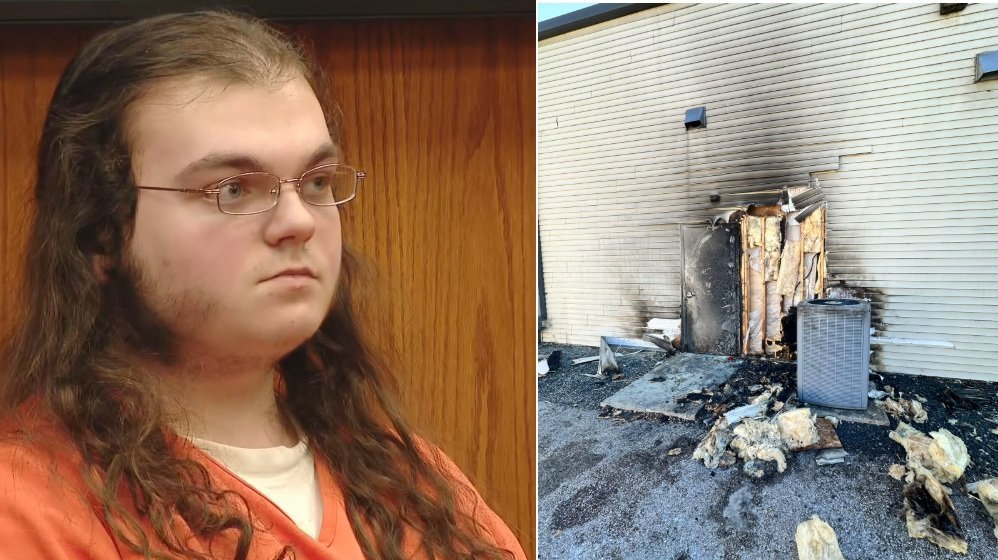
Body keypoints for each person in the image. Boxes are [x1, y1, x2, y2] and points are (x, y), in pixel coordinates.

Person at [0, 10, 526, 560]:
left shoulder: (412, 479)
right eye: (232, 190)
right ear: (102, 234)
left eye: (317, 181)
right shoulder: (33, 513)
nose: (298, 220)